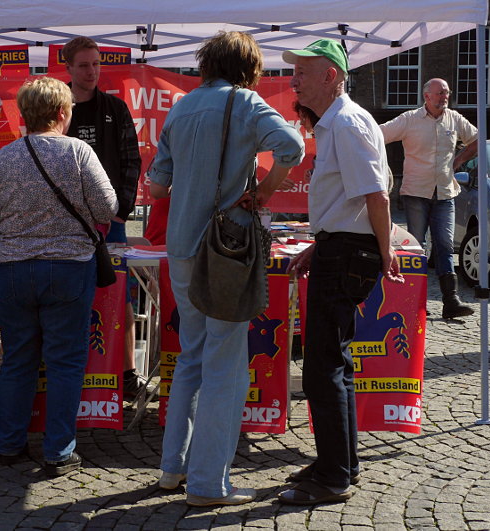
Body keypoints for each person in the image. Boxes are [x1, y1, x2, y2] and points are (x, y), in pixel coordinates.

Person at [148, 31, 305, 507]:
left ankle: (172, 468)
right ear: (249, 67)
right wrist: (262, 191)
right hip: (227, 249)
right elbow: (292, 147)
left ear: (207, 63)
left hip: (181, 248)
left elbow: (156, 188)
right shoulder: (247, 103)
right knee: (225, 366)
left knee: (191, 358)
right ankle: (207, 485)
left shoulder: (180, 107)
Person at [278, 39, 404, 505]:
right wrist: (321, 243)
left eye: (303, 73)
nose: (294, 81)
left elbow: (377, 195)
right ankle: (340, 463)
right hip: (342, 248)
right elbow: (349, 202)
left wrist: (382, 250)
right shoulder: (338, 123)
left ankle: (333, 477)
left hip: (350, 253)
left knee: (322, 370)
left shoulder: (347, 123)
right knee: (334, 366)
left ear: (331, 75)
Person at [0, 77, 117, 476]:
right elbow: (107, 208)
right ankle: (58, 451)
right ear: (62, 113)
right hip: (70, 269)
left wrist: (14, 241)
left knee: (18, 360)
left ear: (24, 114)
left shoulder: (4, 157)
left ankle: (9, 443)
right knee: (65, 363)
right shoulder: (79, 152)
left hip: (15, 271)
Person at [61, 36, 146, 399]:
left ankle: (125, 372)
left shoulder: (115, 107)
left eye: (96, 63)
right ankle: (70, 374)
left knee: (119, 295)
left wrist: (120, 212)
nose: (91, 71)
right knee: (67, 296)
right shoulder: (57, 107)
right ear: (67, 68)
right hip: (64, 224)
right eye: (83, 65)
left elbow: (131, 162)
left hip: (110, 223)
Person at [380, 78, 477, 319]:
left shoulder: (454, 119)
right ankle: (412, 300)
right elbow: (378, 134)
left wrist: (458, 161)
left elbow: (476, 141)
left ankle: (451, 301)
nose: (445, 97)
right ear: (427, 96)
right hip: (416, 192)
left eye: (447, 92)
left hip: (444, 192)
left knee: (445, 245)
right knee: (417, 247)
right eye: (440, 93)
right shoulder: (409, 119)